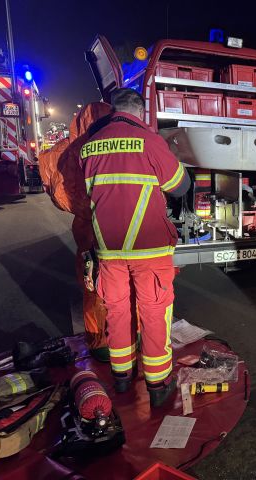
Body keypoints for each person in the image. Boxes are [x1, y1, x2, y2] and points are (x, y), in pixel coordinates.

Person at [80, 88, 190, 407]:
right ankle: (158, 384)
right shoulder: (149, 141)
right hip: (149, 247)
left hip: (108, 248)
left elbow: (88, 195)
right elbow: (179, 186)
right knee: (153, 312)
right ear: (140, 112)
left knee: (117, 311)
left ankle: (122, 377)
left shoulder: (89, 147)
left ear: (113, 110)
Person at [39, 102, 113, 362]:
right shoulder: (117, 145)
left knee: (93, 287)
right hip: (117, 227)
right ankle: (129, 336)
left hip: (87, 230)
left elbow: (58, 195)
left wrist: (85, 207)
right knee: (123, 286)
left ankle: (99, 342)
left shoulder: (65, 152)